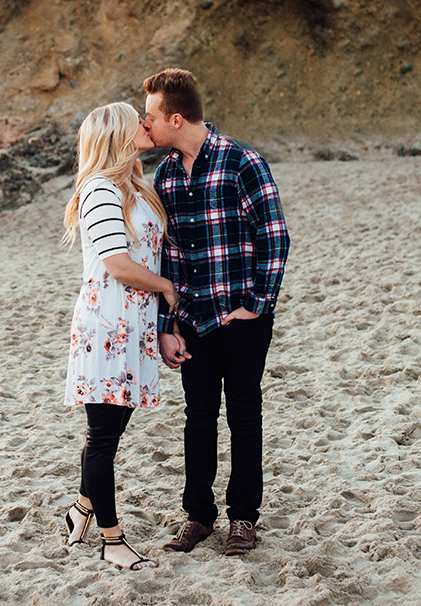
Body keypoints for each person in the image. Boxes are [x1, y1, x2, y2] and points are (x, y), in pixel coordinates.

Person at [142, 69, 290, 556]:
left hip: (242, 318)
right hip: (195, 322)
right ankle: (199, 517)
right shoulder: (164, 174)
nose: (146, 126)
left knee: (244, 415)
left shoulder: (241, 162)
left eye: (151, 117)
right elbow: (169, 258)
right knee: (198, 416)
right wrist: (169, 326)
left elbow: (275, 236)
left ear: (176, 118)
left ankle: (244, 519)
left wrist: (258, 304)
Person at [62, 102, 179, 570]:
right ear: (118, 135)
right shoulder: (99, 189)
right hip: (107, 325)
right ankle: (112, 540)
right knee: (104, 437)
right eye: (138, 120)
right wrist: (167, 288)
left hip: (133, 326)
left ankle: (82, 510)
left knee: (108, 432)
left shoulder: (135, 187)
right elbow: (118, 264)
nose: (146, 124)